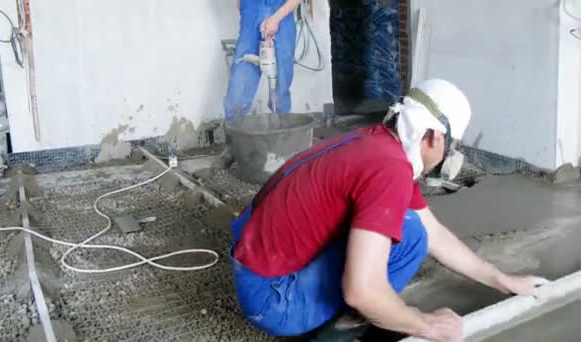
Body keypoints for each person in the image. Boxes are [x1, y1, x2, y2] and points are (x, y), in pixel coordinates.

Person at [228, 79, 549, 341]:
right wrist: (424, 323)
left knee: (414, 230)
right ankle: (338, 334)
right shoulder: (390, 170)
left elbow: (434, 232)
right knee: (409, 239)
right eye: (451, 147)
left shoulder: (379, 144)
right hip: (273, 301)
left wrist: (502, 279)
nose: (449, 155)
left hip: (256, 265)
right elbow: (361, 291)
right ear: (434, 136)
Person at [223, 0, 301, 121]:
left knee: (280, 92)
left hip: (282, 13)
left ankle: (283, 132)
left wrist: (276, 18)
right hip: (251, 12)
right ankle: (235, 134)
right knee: (238, 92)